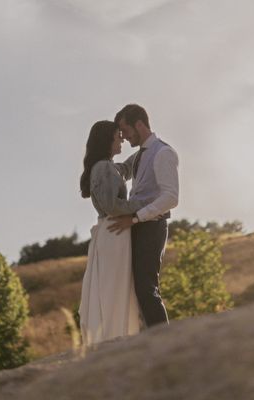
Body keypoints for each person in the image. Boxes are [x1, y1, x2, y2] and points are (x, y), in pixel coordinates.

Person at [108, 104, 179, 327]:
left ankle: (162, 341)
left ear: (139, 124)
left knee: (146, 287)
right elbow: (120, 172)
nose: (125, 137)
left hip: (152, 226)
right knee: (136, 288)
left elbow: (171, 198)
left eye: (126, 131)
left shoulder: (163, 152)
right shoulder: (139, 156)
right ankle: (147, 339)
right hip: (138, 226)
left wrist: (136, 217)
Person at [78, 120, 146, 346]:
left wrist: (146, 148)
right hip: (115, 232)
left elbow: (124, 170)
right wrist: (142, 204)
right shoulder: (104, 167)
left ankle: (116, 334)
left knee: (113, 288)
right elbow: (111, 205)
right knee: (115, 289)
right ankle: (117, 337)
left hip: (111, 233)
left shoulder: (105, 166)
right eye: (119, 136)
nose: (122, 140)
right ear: (107, 140)